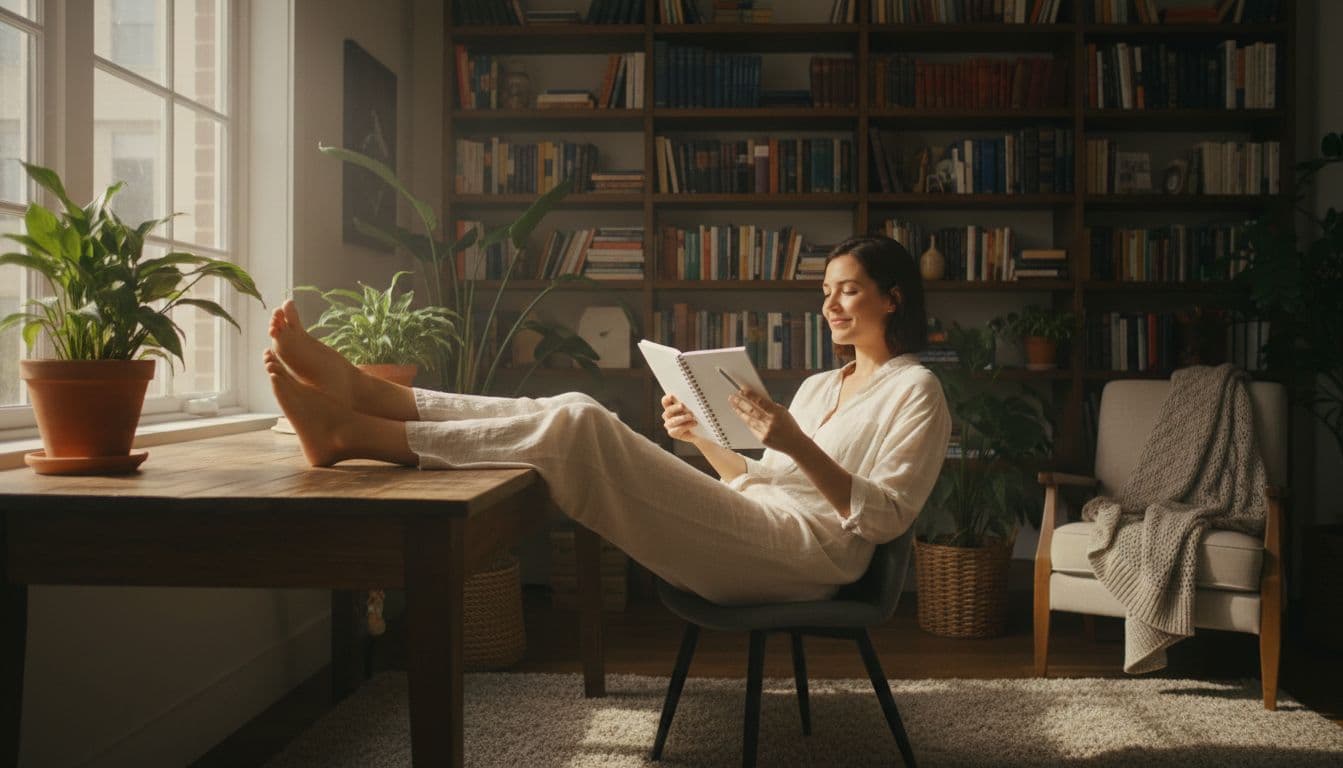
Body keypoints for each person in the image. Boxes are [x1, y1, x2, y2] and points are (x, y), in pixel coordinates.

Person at [264, 235, 951, 605]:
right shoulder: (818, 383)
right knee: (572, 413)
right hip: (756, 521)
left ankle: (356, 425)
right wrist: (702, 440)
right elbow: (761, 478)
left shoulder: (916, 391)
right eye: (825, 291)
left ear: (892, 299)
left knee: (579, 422)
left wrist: (794, 442)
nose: (831, 304)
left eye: (849, 290)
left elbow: (885, 518)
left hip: (808, 558)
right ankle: (369, 398)